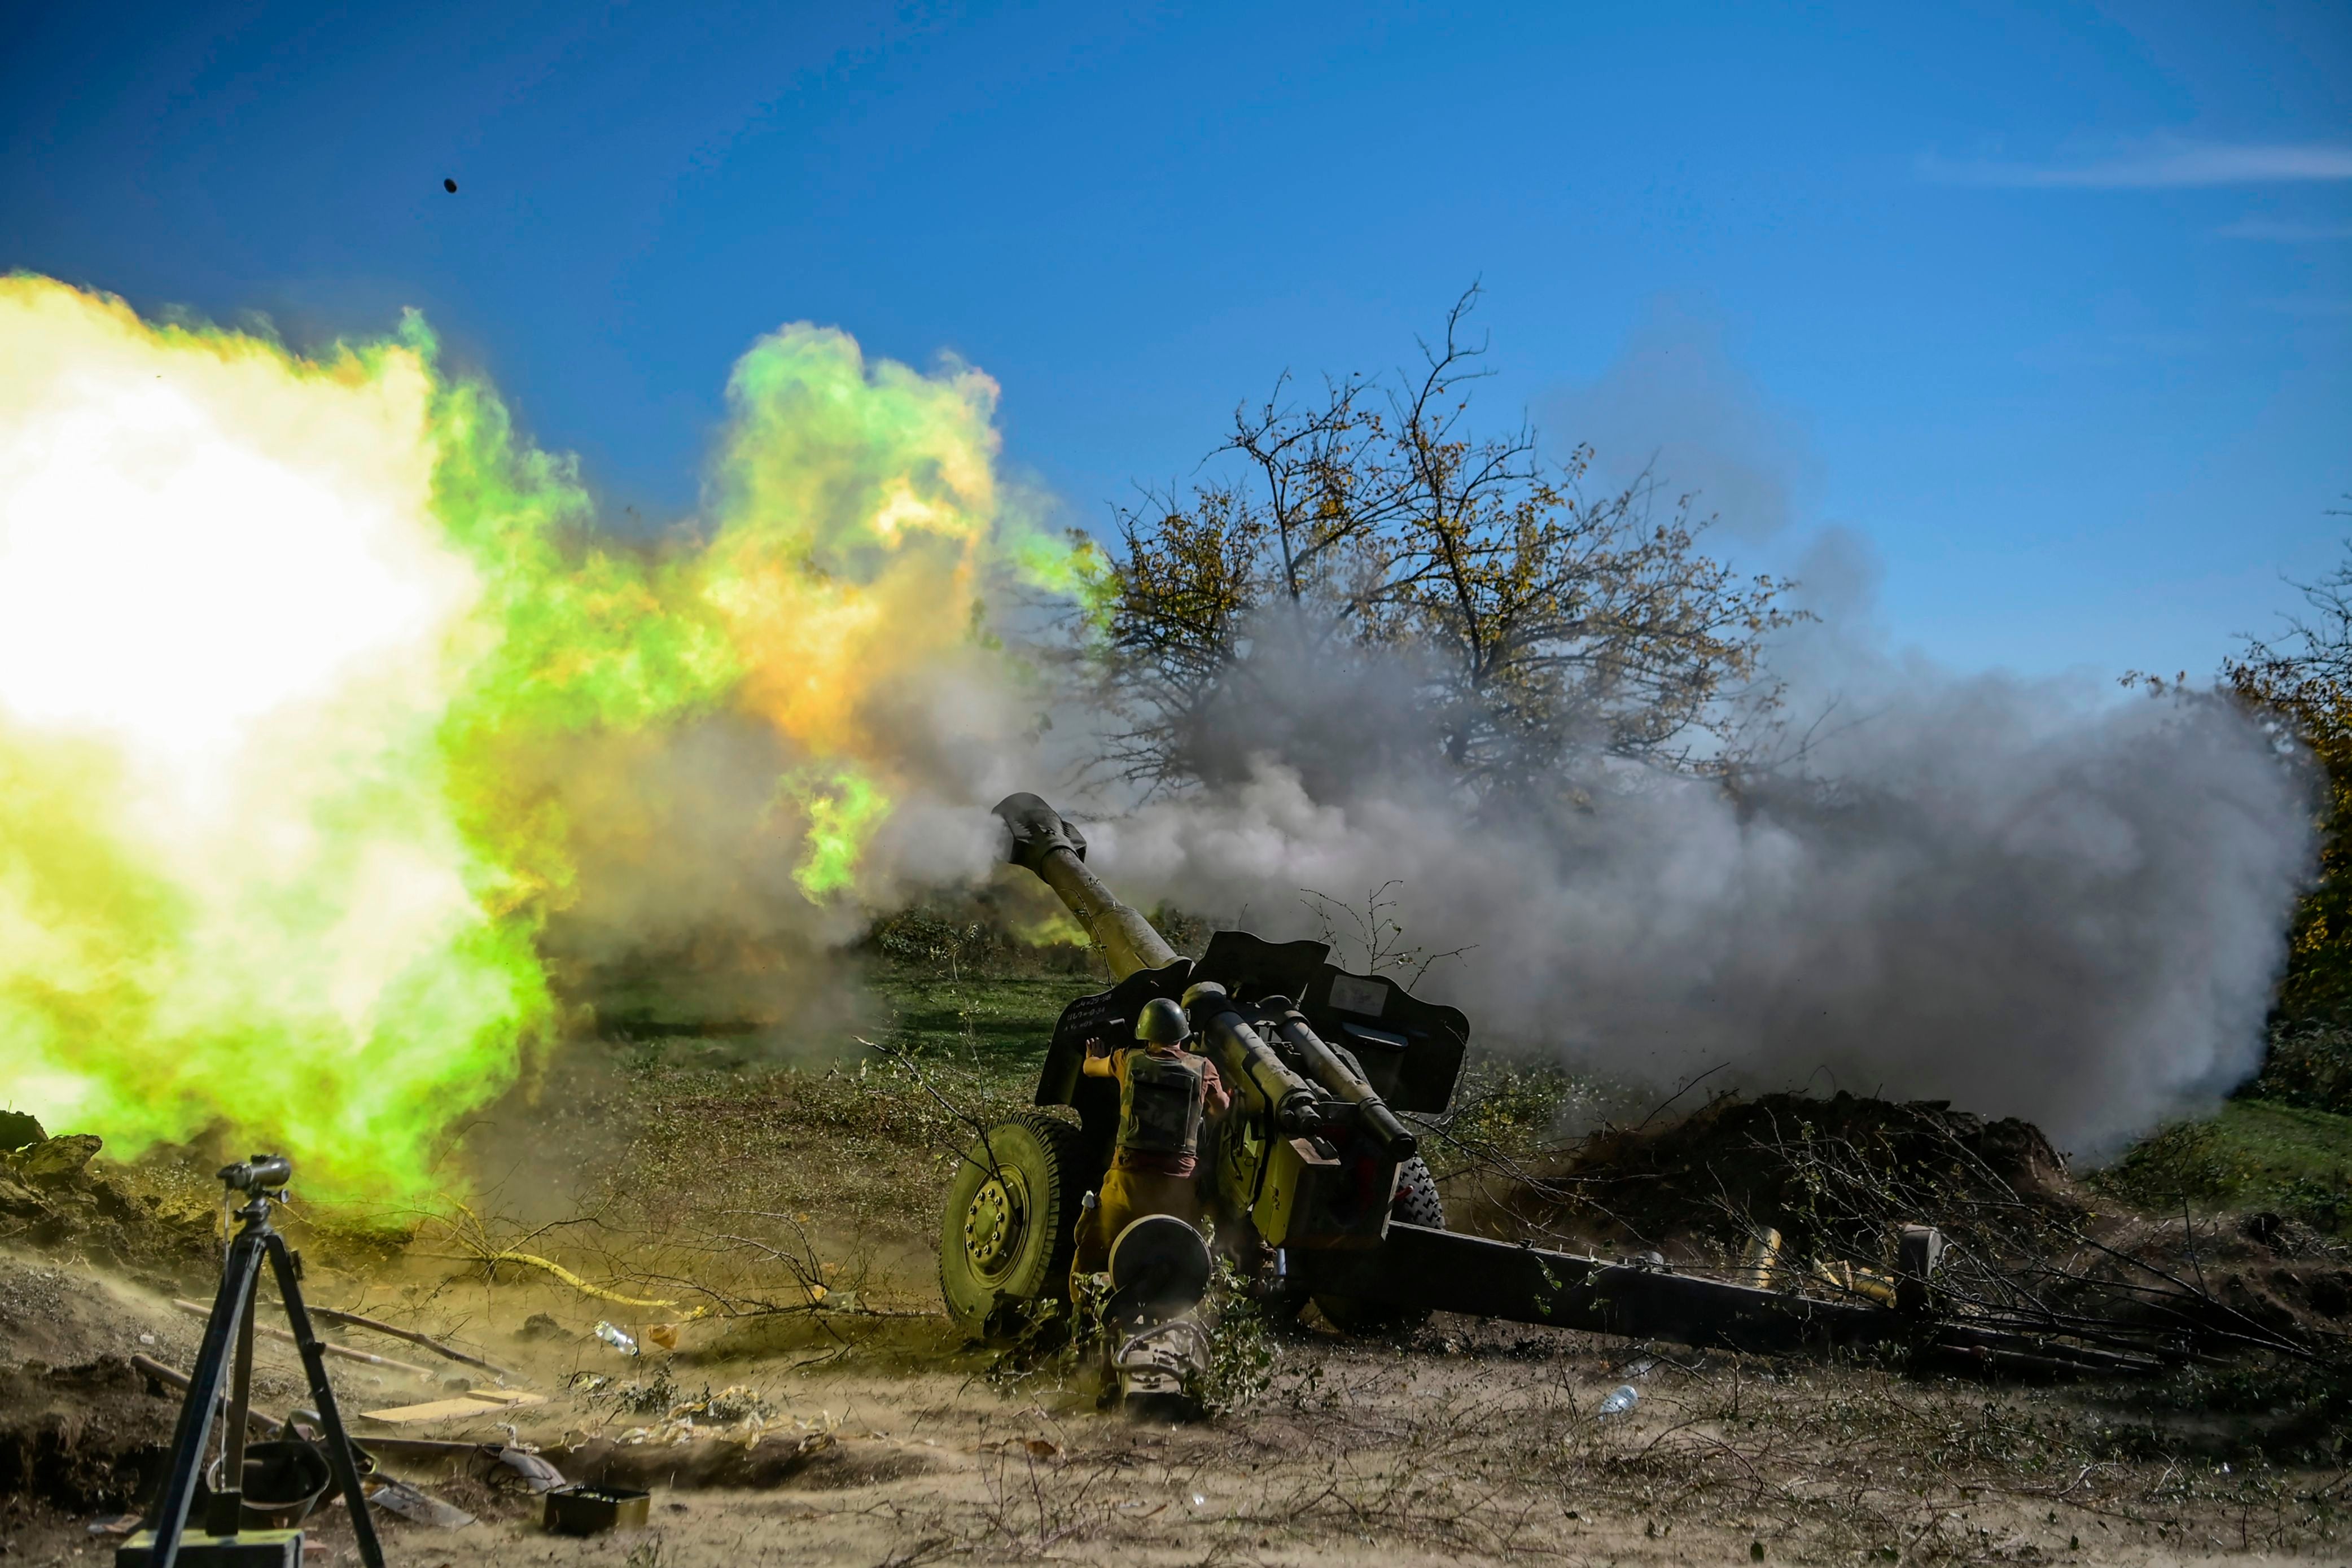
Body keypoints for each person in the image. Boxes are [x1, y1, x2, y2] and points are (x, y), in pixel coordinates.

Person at [1070, 997, 1230, 1295]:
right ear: (1183, 1034)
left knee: (1092, 1259)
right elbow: (1221, 1109)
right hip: (1179, 1191)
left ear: (1145, 1034)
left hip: (1127, 1184)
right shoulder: (1204, 1068)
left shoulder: (1126, 1059)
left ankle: (1086, 1318)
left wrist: (1095, 1055)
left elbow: (1091, 1069)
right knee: (1184, 1264)